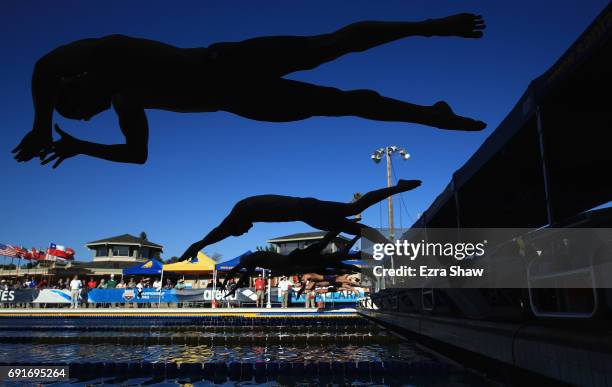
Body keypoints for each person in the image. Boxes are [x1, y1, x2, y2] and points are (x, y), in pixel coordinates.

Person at [13, 14, 486, 169]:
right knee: (343, 104)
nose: (94, 117)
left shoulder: (111, 55)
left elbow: (41, 65)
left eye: (81, 113)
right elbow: (138, 155)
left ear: (78, 85)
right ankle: (431, 115)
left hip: (232, 62)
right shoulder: (125, 101)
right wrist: (79, 148)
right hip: (242, 100)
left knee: (331, 46)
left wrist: (40, 127)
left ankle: (430, 26)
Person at [180, 180, 420, 261]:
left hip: (308, 208)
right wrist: (196, 247)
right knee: (354, 223)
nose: (248, 230)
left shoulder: (241, 212)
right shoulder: (242, 213)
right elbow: (215, 234)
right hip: (308, 215)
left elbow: (218, 233)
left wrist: (197, 247)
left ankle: (398, 188)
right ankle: (393, 247)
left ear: (237, 225)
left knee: (353, 209)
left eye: (242, 231)